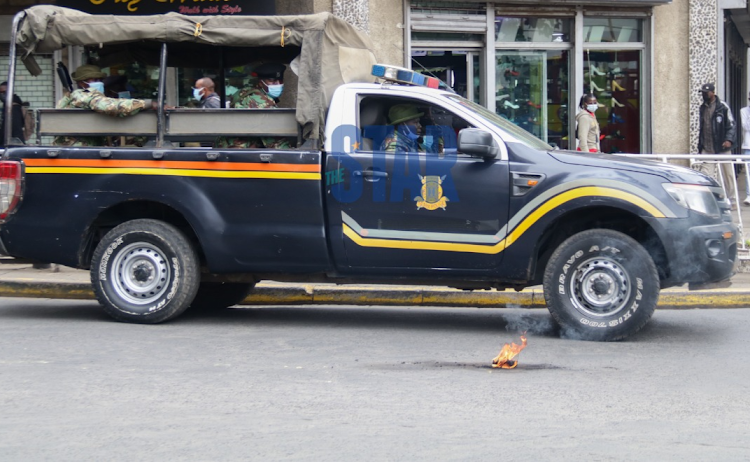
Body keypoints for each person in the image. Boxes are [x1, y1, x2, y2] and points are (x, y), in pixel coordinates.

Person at [54, 64, 149, 146]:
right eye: (95, 80)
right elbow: (110, 106)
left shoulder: (89, 99)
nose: (99, 82)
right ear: (81, 82)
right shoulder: (79, 95)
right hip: (75, 153)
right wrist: (147, 104)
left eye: (100, 79)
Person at [215, 63, 291, 149]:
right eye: (272, 81)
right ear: (261, 83)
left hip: (226, 149)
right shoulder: (261, 103)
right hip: (241, 154)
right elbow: (276, 142)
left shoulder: (245, 93)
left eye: (280, 81)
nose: (277, 84)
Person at [697, 82, 737, 206]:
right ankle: (708, 201)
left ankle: (733, 200)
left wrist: (728, 140)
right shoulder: (702, 108)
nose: (704, 95)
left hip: (722, 147)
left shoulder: (723, 107)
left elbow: (731, 125)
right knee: (705, 175)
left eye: (706, 92)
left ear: (713, 93)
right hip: (707, 148)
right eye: (702, 93)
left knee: (728, 175)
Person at [0, 81, 26, 147]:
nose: (2, 95)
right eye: (1, 93)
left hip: (12, 142)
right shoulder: (10, 104)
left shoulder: (13, 106)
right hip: (13, 141)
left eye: (4, 92)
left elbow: (13, 126)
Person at [741, 91, 750, 205]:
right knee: (748, 172)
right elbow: (746, 126)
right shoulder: (744, 111)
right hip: (748, 145)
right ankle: (749, 195)